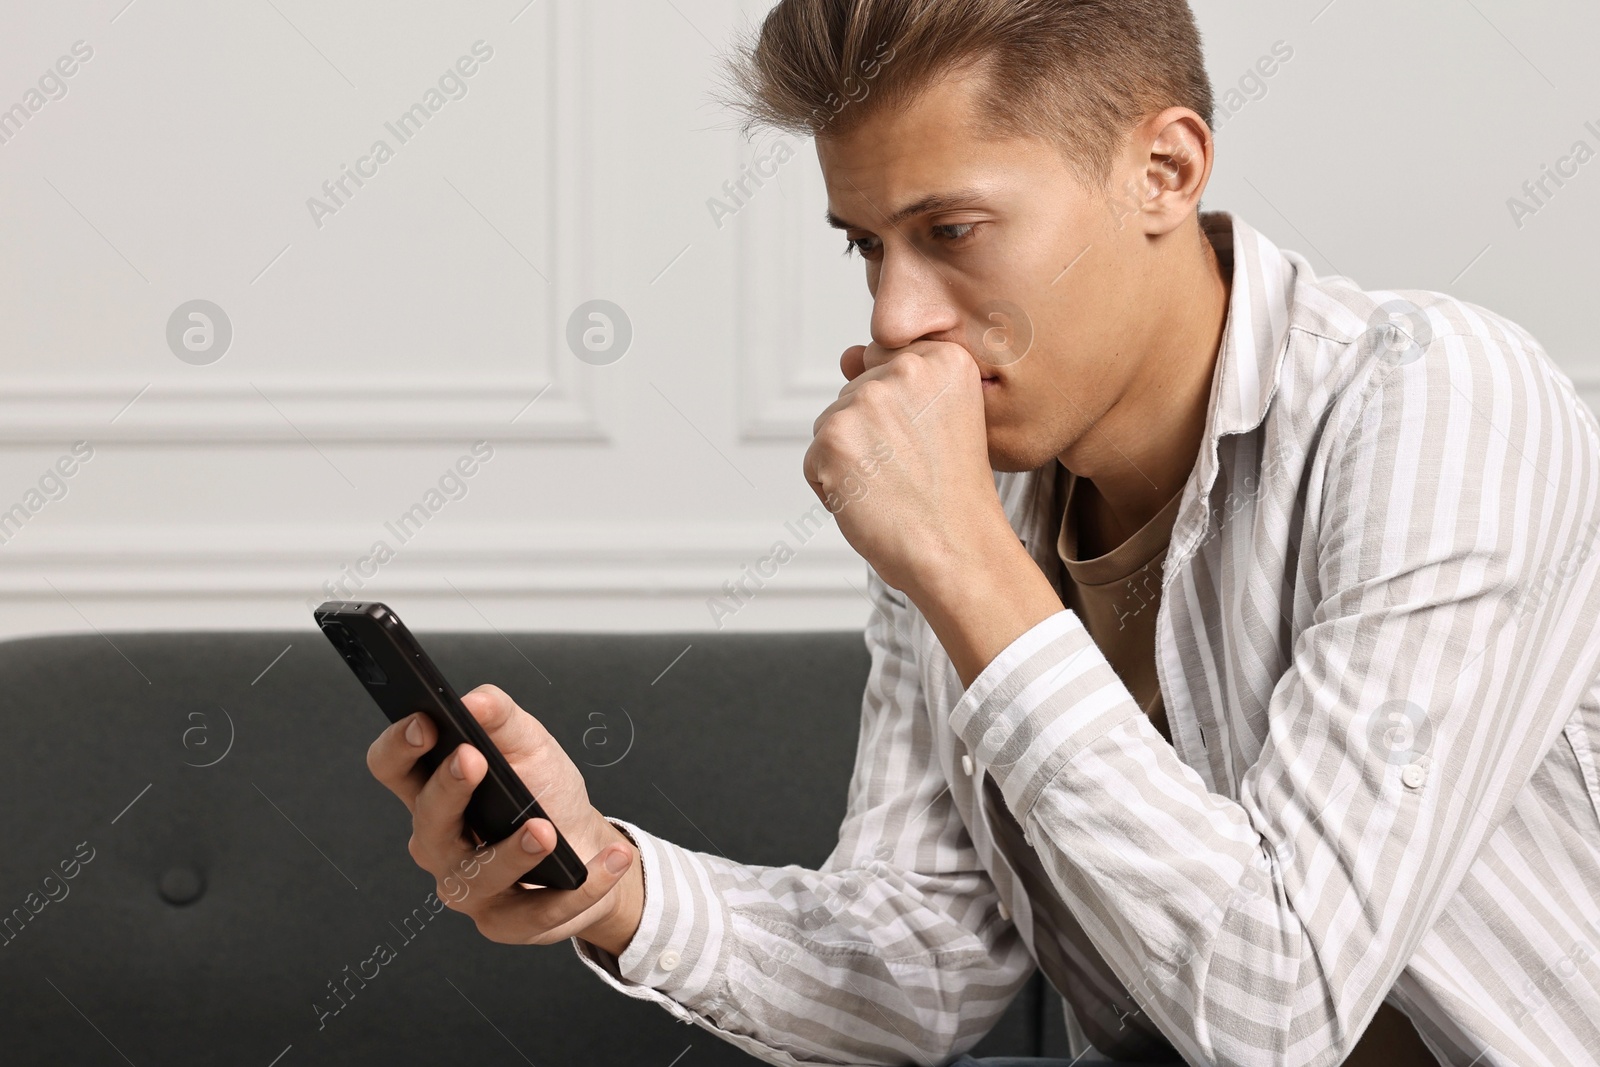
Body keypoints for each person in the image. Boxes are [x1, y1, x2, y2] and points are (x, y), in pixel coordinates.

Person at [366, 1, 1600, 1063]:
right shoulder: (983, 484)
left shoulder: (1437, 405)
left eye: (951, 232)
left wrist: (959, 558)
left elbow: (1281, 1008)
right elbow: (924, 956)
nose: (898, 317)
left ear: (1163, 170)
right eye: (867, 247)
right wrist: (611, 883)